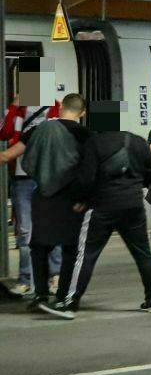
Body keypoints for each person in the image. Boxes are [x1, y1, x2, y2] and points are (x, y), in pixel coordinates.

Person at [50, 105, 151, 317]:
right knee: (142, 252)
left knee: (86, 255)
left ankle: (71, 301)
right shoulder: (137, 141)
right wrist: (137, 184)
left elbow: (86, 179)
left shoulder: (94, 143)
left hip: (102, 207)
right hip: (133, 206)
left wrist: (80, 199)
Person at [18, 93, 87, 312]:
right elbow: (89, 168)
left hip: (43, 197)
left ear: (61, 108)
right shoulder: (84, 134)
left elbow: (23, 159)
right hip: (71, 200)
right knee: (69, 248)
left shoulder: (39, 130)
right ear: (82, 113)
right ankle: (62, 294)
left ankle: (39, 294)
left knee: (38, 247)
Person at [1, 80, 55, 297]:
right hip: (21, 176)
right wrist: (13, 106)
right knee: (25, 232)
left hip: (46, 176)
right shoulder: (19, 108)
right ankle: (26, 278)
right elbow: (3, 133)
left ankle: (54, 276)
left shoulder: (55, 107)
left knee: (52, 227)